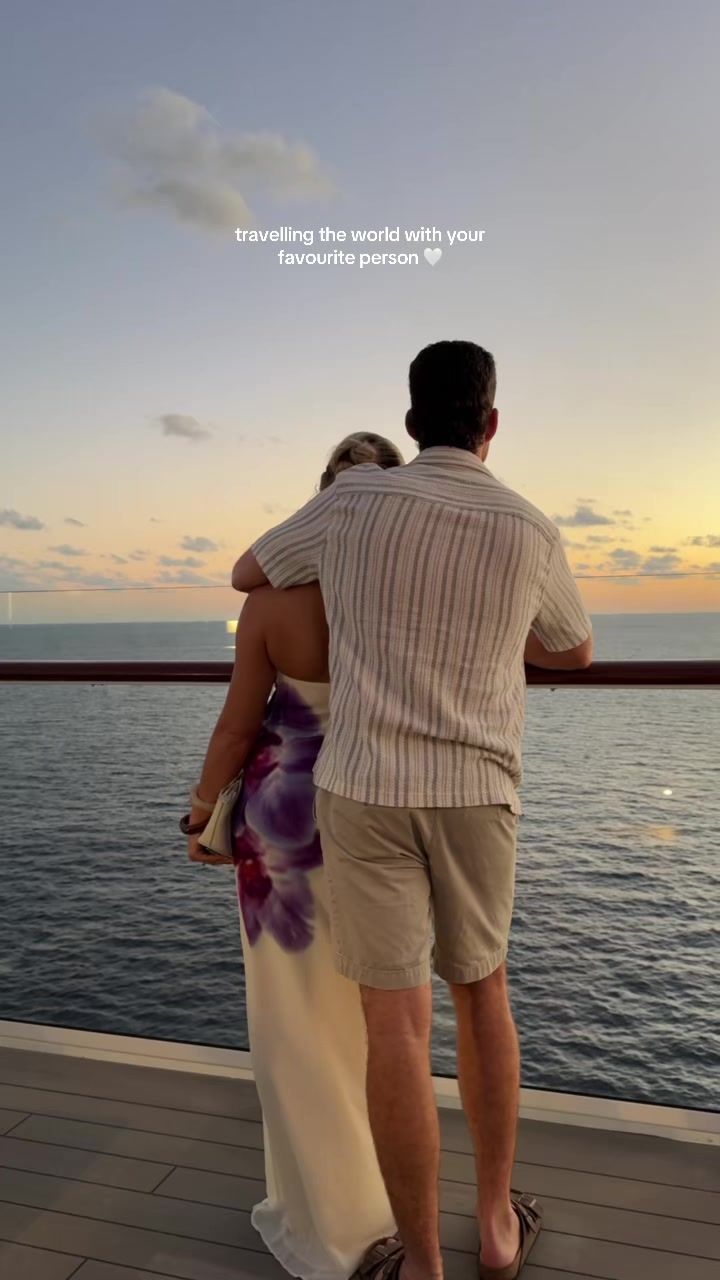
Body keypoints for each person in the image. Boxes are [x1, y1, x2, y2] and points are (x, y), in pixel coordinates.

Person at [232, 341, 594, 1280]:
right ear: (492, 423)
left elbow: (246, 571)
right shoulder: (528, 525)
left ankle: (424, 1263)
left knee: (393, 1023)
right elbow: (574, 648)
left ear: (410, 419)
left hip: (365, 784)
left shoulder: (353, 499)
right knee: (483, 995)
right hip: (477, 788)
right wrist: (493, 637)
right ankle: (497, 1226)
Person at [186, 432, 404, 1280]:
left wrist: (203, 812)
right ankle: (387, 1208)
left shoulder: (270, 601)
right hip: (381, 811)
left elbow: (237, 726)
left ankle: (332, 1220)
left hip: (282, 834)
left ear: (319, 503)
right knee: (377, 1022)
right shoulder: (403, 593)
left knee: (292, 1026)